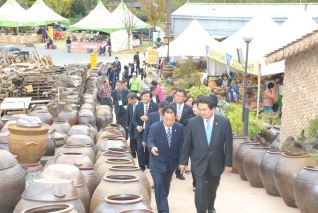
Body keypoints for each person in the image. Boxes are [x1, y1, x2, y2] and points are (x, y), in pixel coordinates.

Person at [179, 96, 233, 213]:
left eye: (204, 110)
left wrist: (228, 163)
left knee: (212, 188)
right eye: (199, 109)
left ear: (213, 108)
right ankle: (201, 210)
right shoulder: (192, 122)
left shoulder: (224, 122)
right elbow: (186, 144)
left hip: (216, 161)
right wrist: (183, 162)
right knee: (200, 189)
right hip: (199, 162)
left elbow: (228, 144)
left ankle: (210, 207)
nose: (201, 112)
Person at [147, 105, 184, 213]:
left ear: (175, 117)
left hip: (171, 163)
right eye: (166, 119)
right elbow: (150, 141)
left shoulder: (180, 127)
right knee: (158, 184)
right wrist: (152, 148)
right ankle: (163, 210)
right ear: (162, 116)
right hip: (156, 161)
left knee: (166, 185)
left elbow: (182, 146)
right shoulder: (154, 127)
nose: (168, 122)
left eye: (171, 119)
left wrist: (182, 162)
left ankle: (162, 199)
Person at [170, 89, 194, 180]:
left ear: (184, 98)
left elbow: (188, 122)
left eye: (180, 96)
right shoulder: (170, 106)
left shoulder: (188, 109)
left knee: (182, 152)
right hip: (171, 131)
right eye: (176, 95)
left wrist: (178, 118)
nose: (178, 97)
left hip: (183, 133)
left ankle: (179, 172)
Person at [133, 90, 158, 171]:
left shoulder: (155, 106)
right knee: (140, 147)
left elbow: (158, 119)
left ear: (150, 98)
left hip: (151, 130)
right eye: (144, 96)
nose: (145, 97)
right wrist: (137, 126)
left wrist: (148, 119)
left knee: (149, 147)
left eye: (147, 96)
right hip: (140, 131)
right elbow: (134, 119)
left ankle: (149, 163)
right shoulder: (138, 106)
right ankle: (141, 166)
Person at [126, 92, 140, 158]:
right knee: (131, 140)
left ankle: (138, 151)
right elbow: (128, 115)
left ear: (134, 99)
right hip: (131, 125)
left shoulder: (141, 104)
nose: (129, 102)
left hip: (138, 125)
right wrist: (127, 124)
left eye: (130, 100)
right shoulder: (129, 105)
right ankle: (133, 152)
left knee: (137, 140)